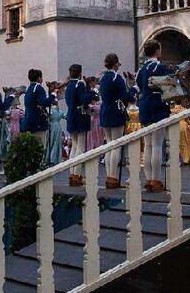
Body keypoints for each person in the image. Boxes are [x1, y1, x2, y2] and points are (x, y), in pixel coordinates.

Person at [136, 40, 182, 192]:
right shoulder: (159, 67)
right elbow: (170, 82)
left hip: (144, 105)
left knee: (148, 145)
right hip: (157, 105)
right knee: (156, 145)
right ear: (157, 51)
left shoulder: (141, 69)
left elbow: (138, 85)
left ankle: (148, 179)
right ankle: (156, 179)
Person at [98, 53, 136, 189]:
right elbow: (125, 96)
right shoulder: (116, 77)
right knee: (116, 145)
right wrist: (134, 89)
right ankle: (113, 177)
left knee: (109, 145)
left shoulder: (102, 77)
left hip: (105, 111)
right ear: (115, 64)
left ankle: (110, 176)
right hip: (115, 110)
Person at [65, 64, 94, 186]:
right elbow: (83, 99)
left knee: (75, 145)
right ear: (80, 73)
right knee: (80, 146)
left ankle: (72, 173)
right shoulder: (79, 84)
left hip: (71, 115)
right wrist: (92, 92)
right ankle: (77, 175)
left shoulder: (69, 85)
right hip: (79, 116)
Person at [21, 69, 55, 137]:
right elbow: (44, 103)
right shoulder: (38, 88)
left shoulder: (29, 88)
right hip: (38, 121)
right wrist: (53, 95)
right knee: (40, 145)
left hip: (28, 119)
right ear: (39, 78)